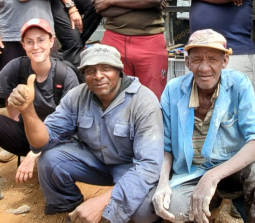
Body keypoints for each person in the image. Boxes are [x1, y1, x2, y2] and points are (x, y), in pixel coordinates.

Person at [9, 44, 163, 223]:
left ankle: (109, 213)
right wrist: (27, 110)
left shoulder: (144, 101)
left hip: (129, 168)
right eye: (91, 70)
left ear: (119, 71)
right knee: (50, 159)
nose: (98, 76)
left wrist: (102, 202)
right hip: (95, 162)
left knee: (145, 211)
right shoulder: (77, 96)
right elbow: (41, 142)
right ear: (84, 75)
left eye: (106, 68)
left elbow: (149, 167)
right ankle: (68, 208)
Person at [152, 29, 255, 223]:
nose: (204, 68)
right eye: (197, 60)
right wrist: (163, 183)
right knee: (173, 210)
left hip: (232, 170)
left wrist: (212, 176)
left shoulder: (239, 84)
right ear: (187, 63)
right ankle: (211, 203)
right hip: (190, 174)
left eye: (212, 59)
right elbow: (165, 147)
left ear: (224, 61)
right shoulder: (173, 90)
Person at [0, 18, 80, 212]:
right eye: (30, 41)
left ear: (51, 42)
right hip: (27, 135)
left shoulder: (66, 75)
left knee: (55, 157)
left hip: (59, 142)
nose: (36, 46)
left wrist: (34, 155)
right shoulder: (17, 66)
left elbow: (70, 127)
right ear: (23, 45)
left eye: (41, 40)